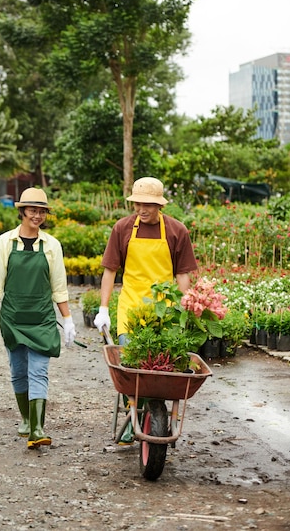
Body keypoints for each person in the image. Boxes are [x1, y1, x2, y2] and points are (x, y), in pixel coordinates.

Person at [94, 177, 198, 443]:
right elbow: (110, 271)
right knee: (132, 365)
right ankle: (135, 417)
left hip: (164, 311)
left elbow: (183, 274)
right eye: (138, 203)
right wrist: (103, 308)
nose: (142, 209)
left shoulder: (176, 231)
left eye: (148, 204)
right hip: (131, 308)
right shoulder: (123, 228)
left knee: (160, 369)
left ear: (159, 204)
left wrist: (186, 307)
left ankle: (151, 419)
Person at [0, 187, 76, 450]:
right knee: (18, 371)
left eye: (42, 211)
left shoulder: (51, 245)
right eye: (33, 210)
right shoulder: (4, 243)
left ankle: (37, 428)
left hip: (42, 318)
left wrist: (67, 319)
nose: (37, 215)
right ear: (22, 211)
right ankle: (26, 418)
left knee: (39, 371)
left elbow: (59, 287)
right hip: (13, 317)